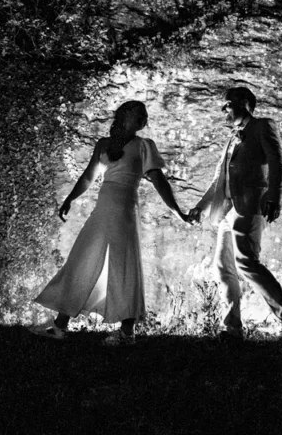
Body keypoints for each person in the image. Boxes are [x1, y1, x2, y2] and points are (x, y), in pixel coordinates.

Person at [30, 100, 187, 346]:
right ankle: (60, 326)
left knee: (124, 264)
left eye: (145, 116)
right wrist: (70, 198)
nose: (144, 118)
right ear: (124, 117)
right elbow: (88, 176)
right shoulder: (104, 144)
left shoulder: (145, 146)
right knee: (82, 258)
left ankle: (126, 333)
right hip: (103, 207)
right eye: (139, 114)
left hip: (125, 208)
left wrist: (177, 211)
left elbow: (159, 181)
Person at [187, 86, 282, 344]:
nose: (224, 108)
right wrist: (201, 206)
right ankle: (231, 330)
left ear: (245, 103)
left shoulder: (263, 126)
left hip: (251, 204)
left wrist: (274, 196)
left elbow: (278, 161)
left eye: (228, 103)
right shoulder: (232, 138)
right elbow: (217, 180)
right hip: (227, 210)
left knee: (246, 262)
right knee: (222, 268)